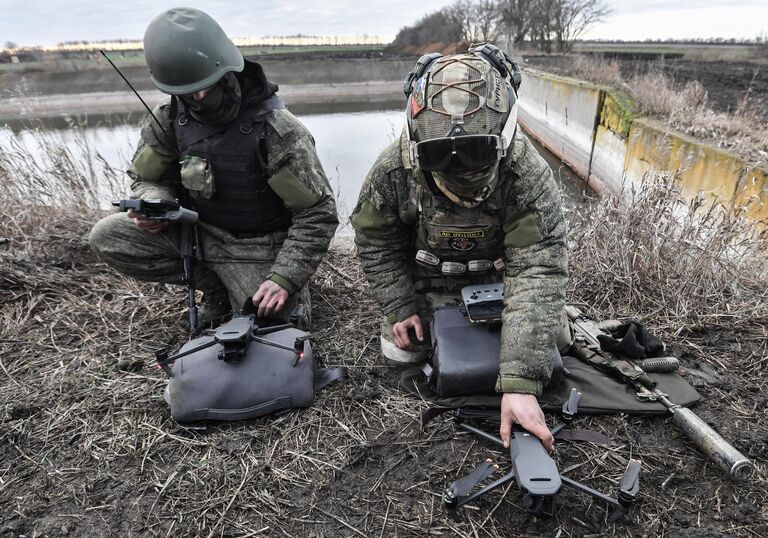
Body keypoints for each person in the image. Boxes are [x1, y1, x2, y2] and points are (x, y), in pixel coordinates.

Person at [351, 45, 568, 450]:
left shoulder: (526, 174)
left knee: (555, 341)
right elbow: (375, 239)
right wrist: (400, 306)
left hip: (501, 285)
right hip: (429, 284)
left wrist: (521, 383)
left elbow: (538, 267)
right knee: (399, 354)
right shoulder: (394, 170)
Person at [89, 7, 337, 328]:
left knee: (276, 326)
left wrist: (285, 277)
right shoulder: (167, 118)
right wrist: (154, 203)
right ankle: (215, 286)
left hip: (258, 248)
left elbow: (317, 213)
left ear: (227, 68)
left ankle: (253, 284)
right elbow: (145, 177)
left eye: (206, 86)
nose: (200, 96)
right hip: (196, 235)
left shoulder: (277, 131)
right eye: (189, 92)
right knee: (108, 236)